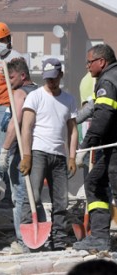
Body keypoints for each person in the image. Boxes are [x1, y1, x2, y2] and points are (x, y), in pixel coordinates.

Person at [20, 58, 78, 251]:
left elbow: (73, 130)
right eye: (47, 79)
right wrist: (27, 155)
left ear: (61, 75)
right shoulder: (35, 97)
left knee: (61, 201)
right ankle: (30, 241)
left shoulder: (69, 99)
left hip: (59, 156)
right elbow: (26, 127)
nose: (51, 82)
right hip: (38, 154)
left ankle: (59, 240)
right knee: (32, 196)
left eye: (54, 78)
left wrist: (71, 156)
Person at [73, 44, 117, 251]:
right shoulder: (111, 77)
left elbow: (102, 117)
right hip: (111, 149)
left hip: (115, 148)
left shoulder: (107, 81)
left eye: (90, 62)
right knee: (94, 183)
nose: (87, 66)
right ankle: (99, 238)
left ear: (102, 62)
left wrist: (84, 146)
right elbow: (94, 107)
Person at [0, 58, 38, 251]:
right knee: (33, 197)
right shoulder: (41, 92)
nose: (9, 81)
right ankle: (37, 237)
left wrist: (4, 150)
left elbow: (14, 124)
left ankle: (23, 241)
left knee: (19, 197)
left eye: (11, 77)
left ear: (22, 75)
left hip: (21, 153)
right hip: (38, 152)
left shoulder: (20, 93)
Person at [0, 22, 23, 204]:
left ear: (9, 39)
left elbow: (20, 84)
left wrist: (11, 108)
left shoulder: (15, 58)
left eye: (1, 39)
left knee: (6, 153)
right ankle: (0, 194)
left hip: (6, 107)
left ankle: (10, 195)